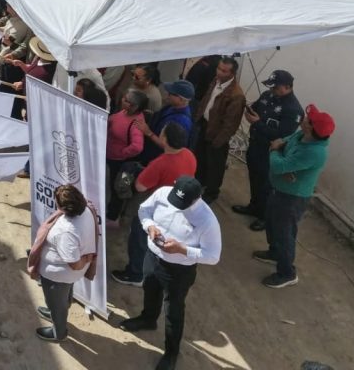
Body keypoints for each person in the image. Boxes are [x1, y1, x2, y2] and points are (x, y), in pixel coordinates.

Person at [119, 176, 221, 370]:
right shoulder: (163, 193)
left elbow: (213, 256)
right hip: (153, 256)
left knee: (173, 311)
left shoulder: (207, 220)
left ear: (197, 198)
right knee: (149, 288)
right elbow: (144, 210)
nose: (176, 206)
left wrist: (182, 250)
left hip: (178, 271)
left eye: (182, 204)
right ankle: (148, 319)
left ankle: (171, 353)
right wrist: (150, 226)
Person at [254, 104, 335, 288]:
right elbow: (283, 142)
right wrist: (284, 161)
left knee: (285, 234)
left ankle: (287, 273)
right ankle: (275, 253)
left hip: (292, 197)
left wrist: (276, 151)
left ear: (311, 128)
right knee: (271, 223)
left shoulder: (315, 152)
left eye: (308, 120)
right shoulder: (301, 135)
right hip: (279, 189)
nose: (304, 119)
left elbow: (277, 163)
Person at [111, 124, 197, 287]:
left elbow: (140, 187)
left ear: (164, 139)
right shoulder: (189, 155)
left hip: (155, 208)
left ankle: (136, 273)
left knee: (139, 238)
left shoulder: (161, 163)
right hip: (175, 209)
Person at [233, 69, 304, 231]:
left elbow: (282, 136)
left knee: (267, 185)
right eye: (271, 86)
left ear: (287, 87)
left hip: (270, 152)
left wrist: (257, 123)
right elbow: (256, 107)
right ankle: (254, 206)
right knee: (254, 178)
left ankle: (264, 216)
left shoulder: (293, 110)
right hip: (255, 144)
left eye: (275, 87)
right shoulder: (268, 95)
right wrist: (250, 112)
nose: (272, 90)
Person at [26, 184, 98, 343]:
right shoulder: (87, 210)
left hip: (57, 277)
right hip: (67, 276)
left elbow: (74, 263)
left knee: (55, 303)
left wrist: (87, 258)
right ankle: (59, 307)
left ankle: (58, 332)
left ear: (63, 208)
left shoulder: (66, 232)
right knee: (64, 294)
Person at [193, 56, 246, 204]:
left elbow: (231, 123)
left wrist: (219, 141)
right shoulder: (216, 81)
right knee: (201, 158)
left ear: (232, 73)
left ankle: (212, 192)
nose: (219, 72)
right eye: (218, 68)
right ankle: (199, 182)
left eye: (224, 71)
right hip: (205, 125)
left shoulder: (236, 95)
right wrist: (199, 116)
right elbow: (207, 99)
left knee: (215, 165)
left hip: (217, 134)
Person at [105, 89, 149, 224]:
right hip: (112, 157)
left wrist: (122, 152)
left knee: (119, 188)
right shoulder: (124, 112)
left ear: (134, 106)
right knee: (113, 185)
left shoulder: (136, 124)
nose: (122, 100)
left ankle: (113, 216)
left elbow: (137, 147)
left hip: (123, 164)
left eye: (126, 100)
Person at [135, 80, 194, 165]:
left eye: (171, 94)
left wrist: (148, 133)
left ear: (181, 99)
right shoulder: (173, 106)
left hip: (155, 157)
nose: (168, 95)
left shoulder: (181, 121)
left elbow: (169, 146)